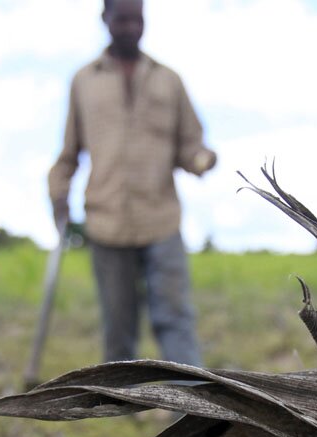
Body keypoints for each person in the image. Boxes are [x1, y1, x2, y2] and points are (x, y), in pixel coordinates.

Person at [48, 0, 217, 366]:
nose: (130, 28)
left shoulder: (169, 80)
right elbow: (69, 153)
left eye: (137, 20)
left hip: (161, 221)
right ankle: (118, 398)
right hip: (106, 223)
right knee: (118, 330)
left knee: (175, 320)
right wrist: (59, 195)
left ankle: (192, 398)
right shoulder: (84, 81)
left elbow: (190, 146)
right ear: (105, 19)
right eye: (122, 19)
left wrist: (203, 159)